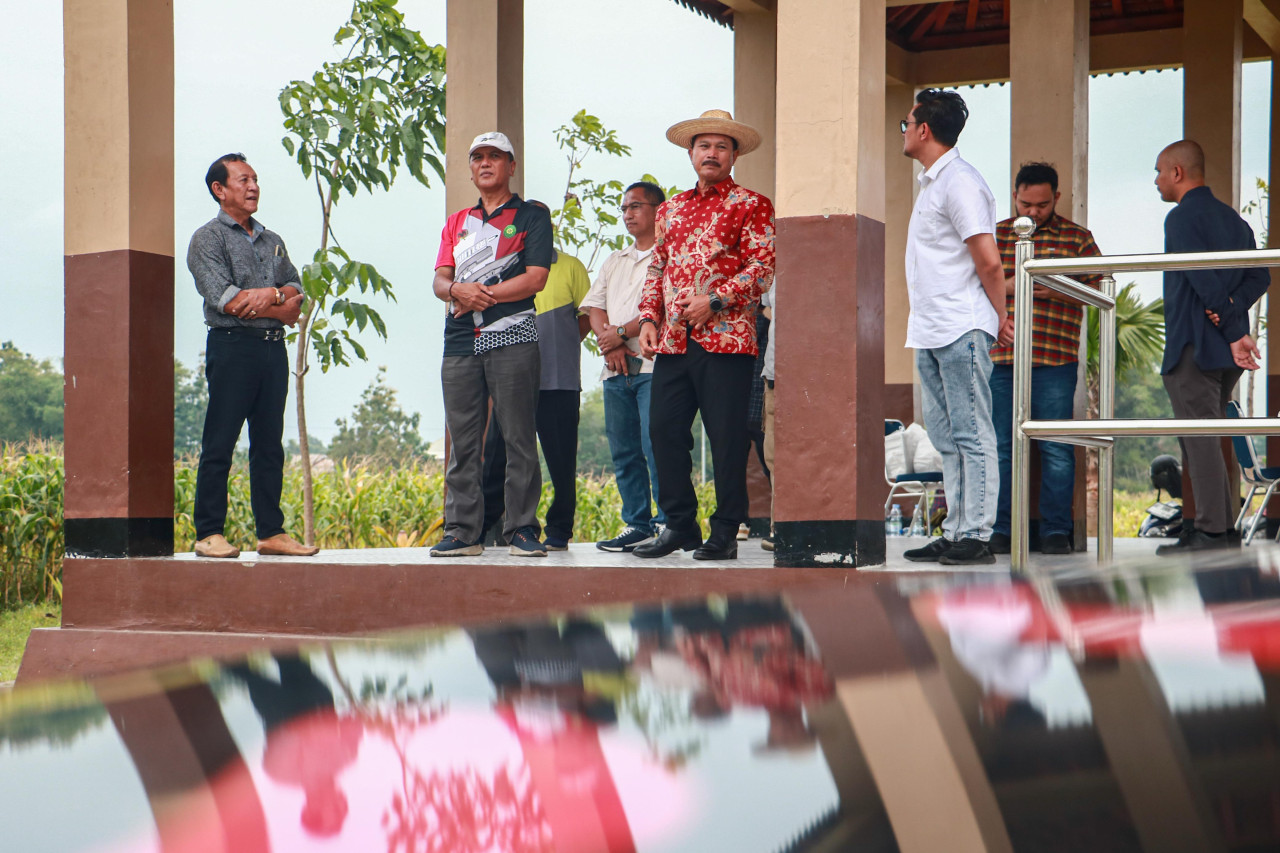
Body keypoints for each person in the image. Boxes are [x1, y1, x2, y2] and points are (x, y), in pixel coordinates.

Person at [633, 110, 775, 561]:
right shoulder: (671, 208)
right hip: (673, 340)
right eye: (703, 146)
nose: (711, 153)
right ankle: (679, 526)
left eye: (720, 146)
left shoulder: (752, 204)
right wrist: (648, 319)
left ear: (733, 155)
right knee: (663, 431)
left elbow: (763, 267)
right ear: (691, 153)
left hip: (728, 341)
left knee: (727, 438)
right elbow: (658, 267)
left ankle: (726, 531)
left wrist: (715, 300)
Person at [899, 89, 1014, 566]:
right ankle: (956, 529)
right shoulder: (933, 184)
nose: (903, 131)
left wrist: (1001, 317)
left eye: (906, 123)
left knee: (972, 433)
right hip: (930, 328)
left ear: (924, 129)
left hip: (961, 326)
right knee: (945, 438)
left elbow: (988, 261)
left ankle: (978, 535)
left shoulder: (960, 182)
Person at [187, 152, 316, 558]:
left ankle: (271, 533)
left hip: (271, 350)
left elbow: (298, 296)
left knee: (269, 445)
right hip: (232, 348)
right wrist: (275, 299)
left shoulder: (272, 239)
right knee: (220, 442)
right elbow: (228, 300)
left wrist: (272, 296)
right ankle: (209, 532)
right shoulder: (207, 239)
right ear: (219, 190)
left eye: (255, 179)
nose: (253, 186)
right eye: (243, 180)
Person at [431, 131, 552, 558]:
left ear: (511, 166)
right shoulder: (456, 221)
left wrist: (482, 294)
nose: (485, 164)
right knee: (463, 441)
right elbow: (440, 280)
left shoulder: (532, 216)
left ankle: (520, 528)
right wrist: (455, 292)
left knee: (518, 435)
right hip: (460, 338)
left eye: (495, 157)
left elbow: (537, 278)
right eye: (477, 157)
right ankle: (462, 531)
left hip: (514, 333)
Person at [1153, 139, 1269, 555]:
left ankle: (1212, 531)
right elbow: (1261, 278)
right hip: (1224, 351)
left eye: (1160, 172)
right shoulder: (1235, 222)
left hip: (1194, 347)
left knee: (1199, 438)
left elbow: (1201, 279)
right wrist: (1234, 318)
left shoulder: (1181, 218)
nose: (1156, 181)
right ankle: (1216, 526)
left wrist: (1230, 319)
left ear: (1178, 173)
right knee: (1206, 436)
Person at [989, 162, 1102, 556]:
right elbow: (974, 287)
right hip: (999, 359)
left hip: (1055, 360)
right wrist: (1017, 284)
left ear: (1056, 197)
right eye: (1025, 204)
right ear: (1014, 196)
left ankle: (1056, 532)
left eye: (1040, 204)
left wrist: (1051, 287)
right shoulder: (996, 235)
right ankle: (998, 530)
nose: (1032, 212)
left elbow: (1101, 293)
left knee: (1055, 447)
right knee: (1000, 448)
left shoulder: (1077, 238)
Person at [478, 201, 592, 551]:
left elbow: (587, 315)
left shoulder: (570, 267)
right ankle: (488, 526)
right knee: (497, 456)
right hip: (511, 380)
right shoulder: (504, 267)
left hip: (558, 381)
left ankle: (559, 530)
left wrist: (559, 344)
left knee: (560, 459)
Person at [580, 181, 668, 552]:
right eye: (624, 208)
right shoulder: (615, 260)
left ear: (658, 210)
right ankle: (637, 524)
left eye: (636, 206)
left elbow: (663, 309)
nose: (628, 214)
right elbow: (593, 306)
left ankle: (667, 523)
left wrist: (618, 334)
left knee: (658, 444)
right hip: (616, 370)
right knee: (624, 450)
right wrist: (609, 343)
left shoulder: (670, 256)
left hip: (654, 367)